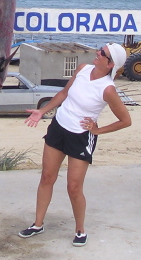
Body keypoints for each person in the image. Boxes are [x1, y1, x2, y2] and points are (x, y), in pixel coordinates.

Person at [18, 42, 131, 247]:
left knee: (74, 187)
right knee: (47, 176)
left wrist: (98, 130)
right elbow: (64, 94)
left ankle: (80, 230)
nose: (97, 53)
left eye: (102, 53)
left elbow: (125, 120)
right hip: (59, 126)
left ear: (110, 64)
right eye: (100, 49)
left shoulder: (108, 89)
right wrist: (42, 111)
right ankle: (37, 224)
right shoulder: (82, 69)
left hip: (80, 136)